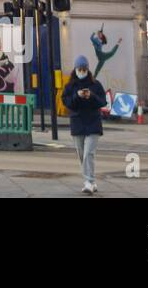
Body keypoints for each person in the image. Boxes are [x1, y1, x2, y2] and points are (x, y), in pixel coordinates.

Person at [61, 54, 107, 194]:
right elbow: (67, 103)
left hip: (93, 122)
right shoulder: (70, 86)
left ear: (87, 69)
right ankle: (91, 181)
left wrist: (91, 96)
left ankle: (88, 182)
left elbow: (103, 101)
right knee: (81, 154)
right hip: (78, 122)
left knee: (88, 153)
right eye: (79, 69)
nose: (81, 71)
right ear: (75, 69)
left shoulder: (95, 85)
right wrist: (77, 96)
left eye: (84, 68)